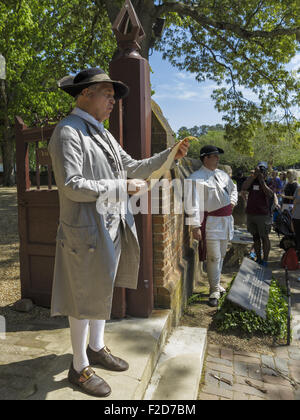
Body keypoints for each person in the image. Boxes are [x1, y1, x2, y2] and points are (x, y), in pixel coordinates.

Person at [48, 67, 189, 398]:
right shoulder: (68, 132)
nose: (113, 101)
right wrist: (121, 187)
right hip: (85, 231)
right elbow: (71, 186)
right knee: (82, 296)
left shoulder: (100, 131)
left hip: (108, 228)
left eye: (114, 96)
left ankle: (96, 347)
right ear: (85, 94)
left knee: (100, 290)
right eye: (107, 94)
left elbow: (132, 165)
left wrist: (169, 155)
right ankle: (79, 366)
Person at [188, 145, 238, 307]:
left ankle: (216, 284)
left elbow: (233, 188)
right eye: (214, 156)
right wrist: (195, 226)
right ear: (205, 158)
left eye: (218, 156)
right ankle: (214, 290)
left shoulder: (223, 175)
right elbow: (192, 203)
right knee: (213, 256)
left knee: (221, 255)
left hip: (226, 221)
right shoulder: (195, 178)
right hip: (210, 223)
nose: (217, 159)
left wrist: (232, 201)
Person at [242, 162, 274, 267]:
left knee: (264, 237)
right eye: (259, 170)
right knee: (255, 237)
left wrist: (261, 180)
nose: (260, 172)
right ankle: (258, 259)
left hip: (263, 214)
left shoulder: (269, 181)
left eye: (262, 170)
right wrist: (253, 176)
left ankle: (265, 260)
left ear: (266, 172)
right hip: (251, 213)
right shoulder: (252, 179)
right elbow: (244, 187)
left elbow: (269, 194)